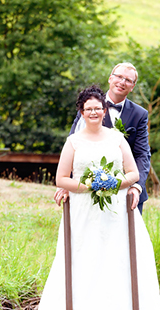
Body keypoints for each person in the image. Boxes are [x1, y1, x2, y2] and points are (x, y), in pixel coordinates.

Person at [36, 85, 160, 310]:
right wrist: (87, 186)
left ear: (104, 110)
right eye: (89, 109)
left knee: (117, 259)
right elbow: (61, 178)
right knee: (85, 258)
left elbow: (132, 173)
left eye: (98, 108)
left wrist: (112, 183)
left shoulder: (117, 139)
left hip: (116, 210)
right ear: (82, 113)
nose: (94, 112)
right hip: (83, 210)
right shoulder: (73, 141)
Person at [55, 62, 150, 214]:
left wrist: (136, 186)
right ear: (110, 78)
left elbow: (142, 154)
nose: (122, 82)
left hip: (126, 192)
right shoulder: (89, 105)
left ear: (132, 86)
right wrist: (67, 185)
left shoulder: (139, 114)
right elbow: (74, 148)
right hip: (86, 192)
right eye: (119, 77)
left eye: (128, 80)